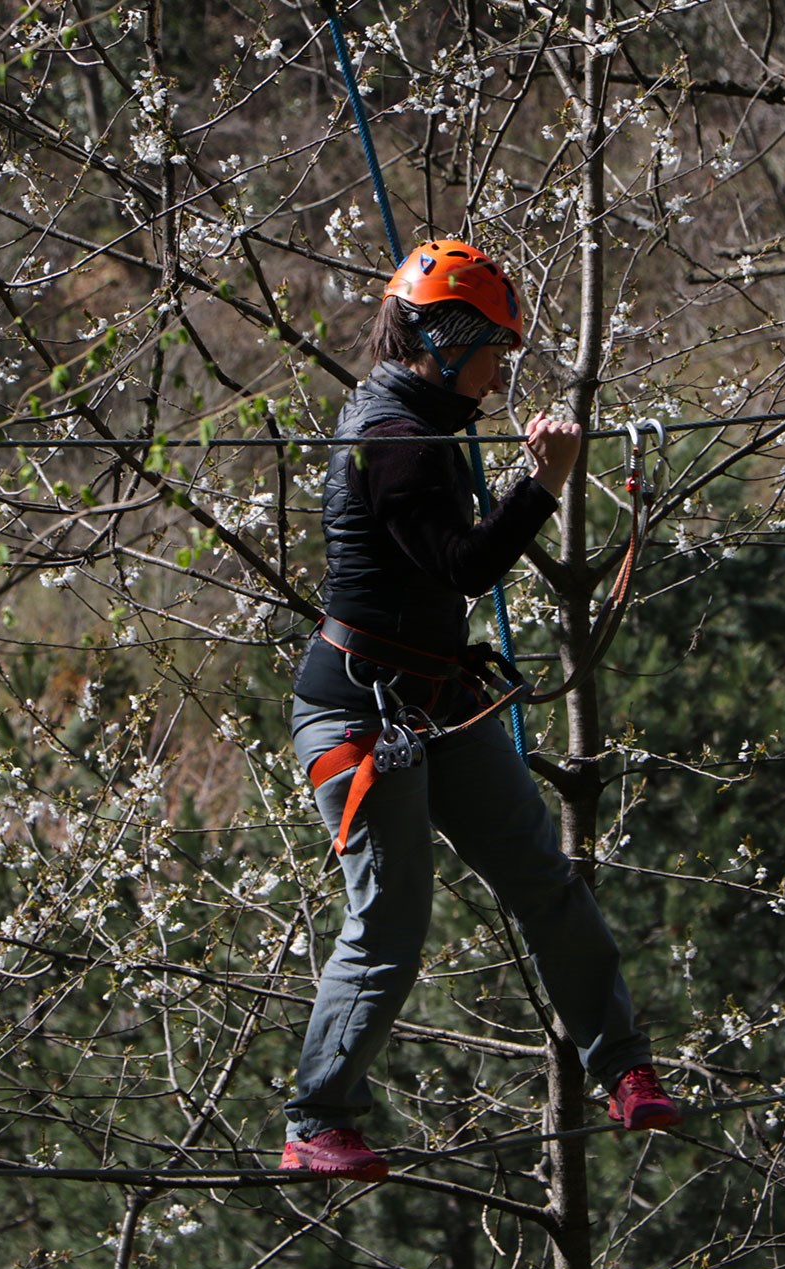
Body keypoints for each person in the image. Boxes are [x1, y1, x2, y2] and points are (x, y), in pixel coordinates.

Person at [280, 239, 680, 1182]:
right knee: (390, 923)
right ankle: (317, 1120)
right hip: (363, 715)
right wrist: (543, 484)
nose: (504, 370)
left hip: (435, 701)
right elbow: (465, 565)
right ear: (446, 339)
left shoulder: (424, 418)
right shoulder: (394, 436)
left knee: (545, 879)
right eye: (496, 349)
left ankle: (625, 1069)